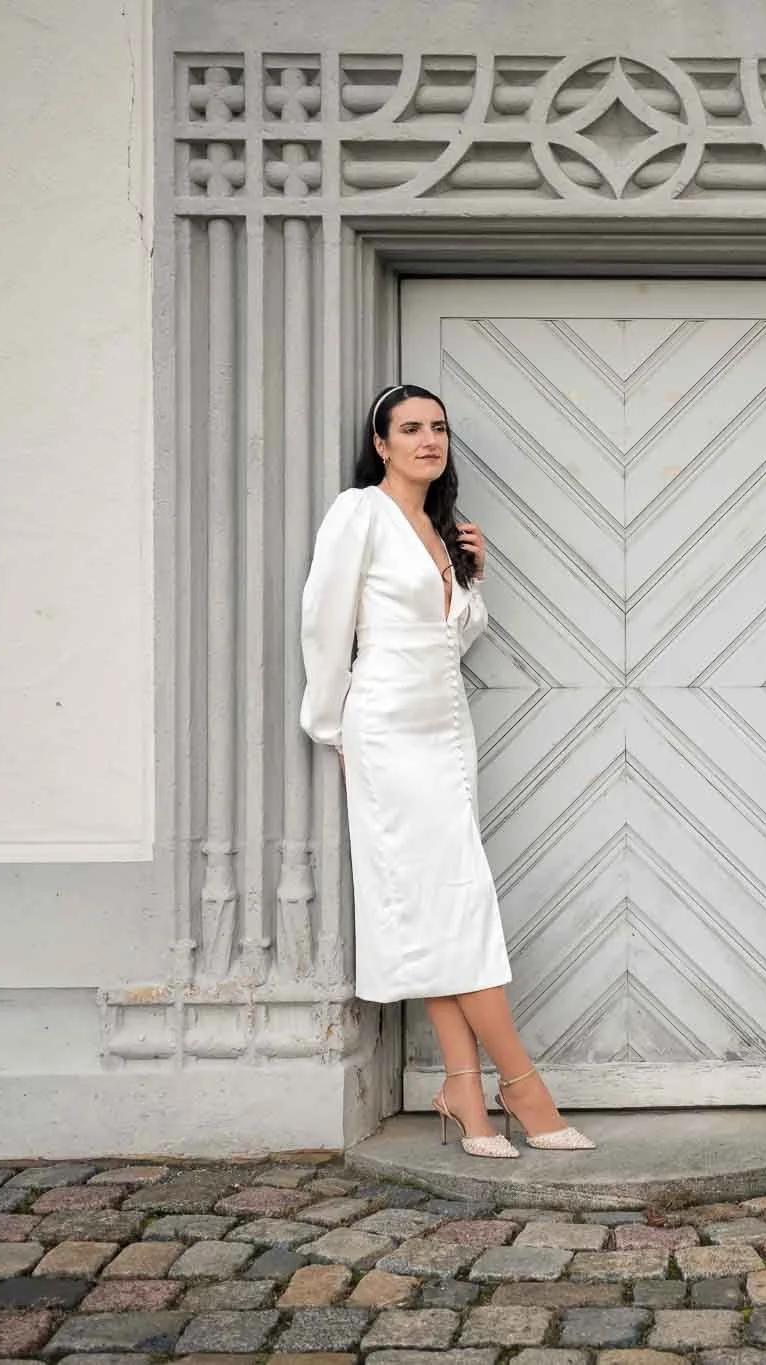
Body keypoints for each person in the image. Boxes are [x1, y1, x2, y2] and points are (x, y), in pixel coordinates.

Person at [299, 382, 593, 1159]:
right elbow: (324, 621)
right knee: (455, 897)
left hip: (446, 728)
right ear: (383, 444)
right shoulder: (358, 513)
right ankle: (522, 1086)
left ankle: (463, 1086)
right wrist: (329, 722)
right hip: (389, 727)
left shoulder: (446, 530)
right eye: (410, 428)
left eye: (439, 427)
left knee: (440, 901)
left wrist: (473, 580)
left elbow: (452, 640)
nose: (429, 439)